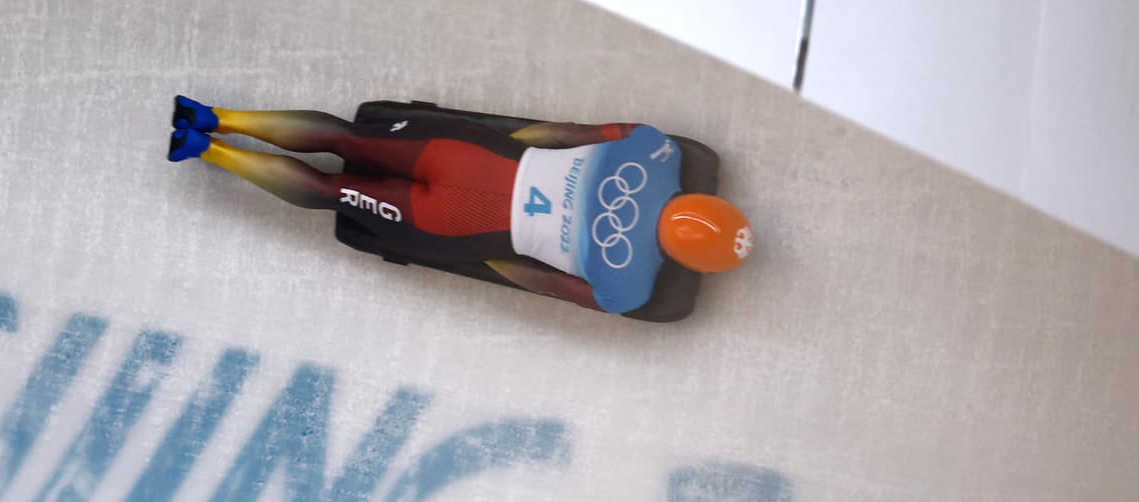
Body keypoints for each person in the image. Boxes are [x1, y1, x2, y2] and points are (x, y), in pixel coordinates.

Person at [168, 95, 752, 314]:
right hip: (455, 227)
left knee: (345, 138)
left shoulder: (656, 151)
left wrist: (499, 144)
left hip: (469, 157)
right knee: (329, 193)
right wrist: (482, 256)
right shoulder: (629, 288)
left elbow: (564, 131)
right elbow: (541, 283)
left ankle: (217, 116)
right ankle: (206, 150)